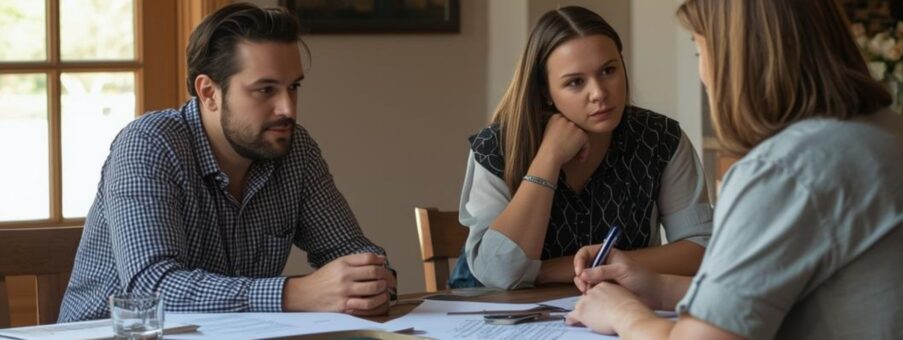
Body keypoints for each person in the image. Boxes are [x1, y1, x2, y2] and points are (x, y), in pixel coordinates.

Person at [565, 1, 903, 339]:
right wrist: (658, 289)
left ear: (736, 57)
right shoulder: (896, 135)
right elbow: (802, 298)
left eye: (700, 50)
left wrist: (625, 315)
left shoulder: (786, 169)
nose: (703, 74)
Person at [59, 3, 395, 322]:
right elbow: (153, 287)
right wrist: (294, 293)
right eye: (265, 90)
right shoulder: (148, 145)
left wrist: (373, 280)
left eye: (293, 87)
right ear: (208, 93)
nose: (288, 109)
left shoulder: (296, 150)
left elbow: (348, 249)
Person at [451, 5, 712, 290]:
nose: (599, 93)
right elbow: (498, 273)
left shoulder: (660, 139)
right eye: (575, 82)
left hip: (616, 315)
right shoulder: (496, 147)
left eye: (608, 70)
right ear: (544, 91)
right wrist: (549, 156)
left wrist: (550, 271)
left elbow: (700, 250)